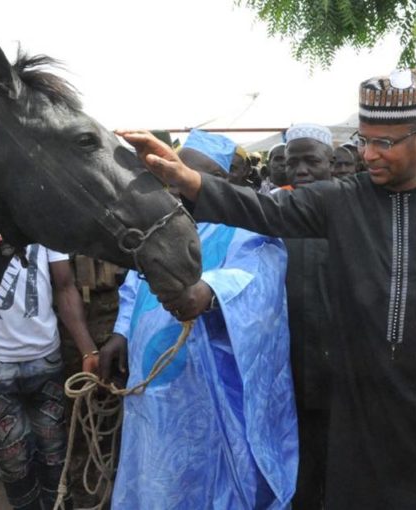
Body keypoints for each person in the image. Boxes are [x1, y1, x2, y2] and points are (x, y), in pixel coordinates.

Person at [118, 68, 416, 510]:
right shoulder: (343, 200)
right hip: (365, 411)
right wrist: (186, 178)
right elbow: (263, 209)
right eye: (365, 140)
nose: (369, 154)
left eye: (384, 143)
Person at [99, 128, 297, 509]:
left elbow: (258, 277)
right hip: (148, 388)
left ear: (217, 182)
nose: (176, 188)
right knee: (150, 476)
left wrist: (210, 292)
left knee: (202, 483)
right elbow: (135, 287)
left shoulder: (245, 229)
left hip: (204, 395)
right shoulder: (158, 225)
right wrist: (121, 332)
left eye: (187, 177)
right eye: (172, 177)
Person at [0, 244, 100, 510]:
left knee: (55, 455)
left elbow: (65, 286)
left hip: (45, 360)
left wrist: (87, 349)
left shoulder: (44, 228)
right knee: (13, 463)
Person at [280, 123, 335, 509]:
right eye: (292, 162)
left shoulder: (356, 212)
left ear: (330, 162)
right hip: (286, 366)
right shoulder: (272, 214)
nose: (301, 170)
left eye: (311, 161)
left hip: (343, 368)